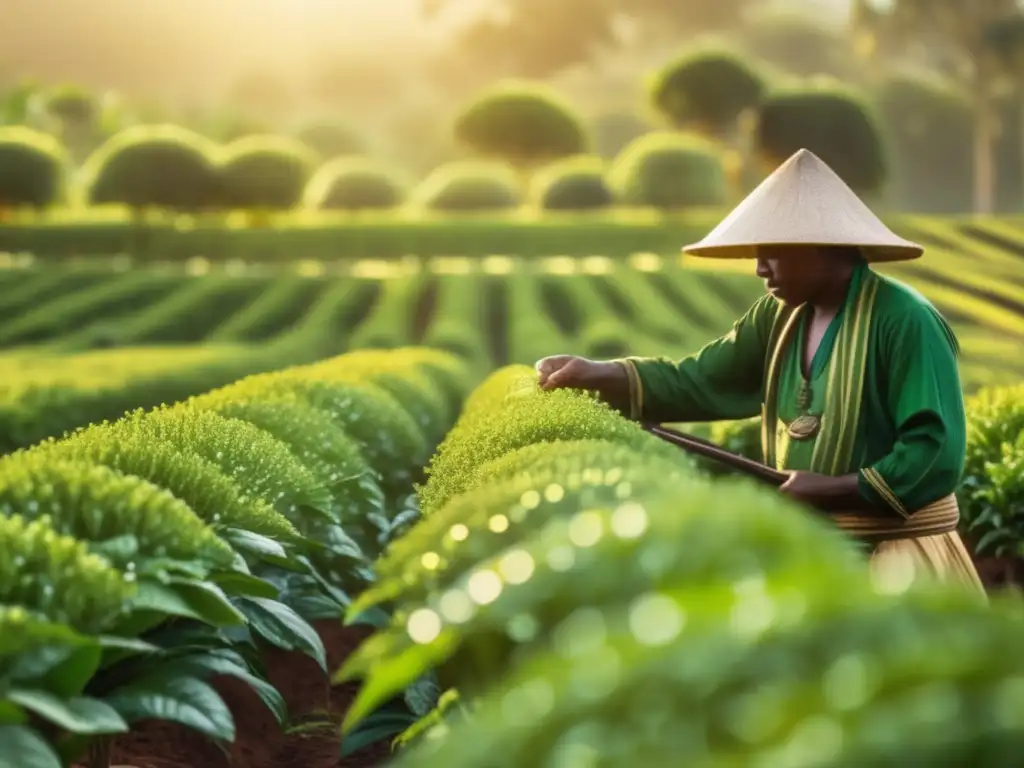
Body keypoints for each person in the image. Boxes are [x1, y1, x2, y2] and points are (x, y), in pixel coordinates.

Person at [536, 148, 985, 595]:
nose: (759, 267)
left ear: (823, 245)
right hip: (813, 553)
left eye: (774, 251)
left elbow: (934, 450)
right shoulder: (778, 316)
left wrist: (836, 489)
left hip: (898, 559)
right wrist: (599, 374)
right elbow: (703, 380)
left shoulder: (905, 319)